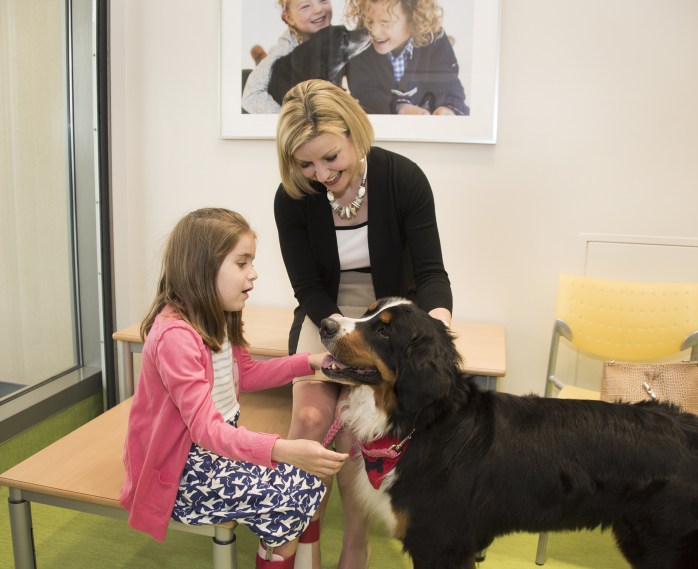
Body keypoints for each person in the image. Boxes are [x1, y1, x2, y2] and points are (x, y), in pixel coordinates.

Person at [274, 79, 453, 569]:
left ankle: (355, 546)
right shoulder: (291, 197)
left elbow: (432, 273)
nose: (320, 173)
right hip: (326, 313)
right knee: (310, 422)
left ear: (355, 134)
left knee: (357, 437)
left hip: (385, 317)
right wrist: (340, 335)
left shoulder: (403, 179)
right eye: (306, 164)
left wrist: (436, 329)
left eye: (330, 158)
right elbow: (307, 287)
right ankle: (301, 544)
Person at [119, 208, 348, 569]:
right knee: (287, 496)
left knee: (307, 482)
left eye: (251, 262)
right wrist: (281, 449)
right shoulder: (176, 337)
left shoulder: (220, 317)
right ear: (202, 267)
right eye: (242, 263)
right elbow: (206, 431)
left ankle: (292, 558)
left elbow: (249, 375)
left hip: (213, 451)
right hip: (181, 471)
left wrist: (311, 363)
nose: (253, 274)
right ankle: (283, 554)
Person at [344, 0, 469, 115]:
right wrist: (400, 107)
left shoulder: (435, 39)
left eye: (385, 23)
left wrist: (448, 108)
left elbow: (448, 82)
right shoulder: (360, 46)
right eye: (370, 21)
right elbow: (364, 92)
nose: (374, 31)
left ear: (413, 19)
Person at [242, 0, 333, 114]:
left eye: (323, 0)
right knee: (247, 76)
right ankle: (261, 60)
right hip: (282, 91)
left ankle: (261, 58)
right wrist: (290, 120)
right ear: (289, 18)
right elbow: (250, 97)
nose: (318, 9)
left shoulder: (337, 37)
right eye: (305, 6)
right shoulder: (284, 50)